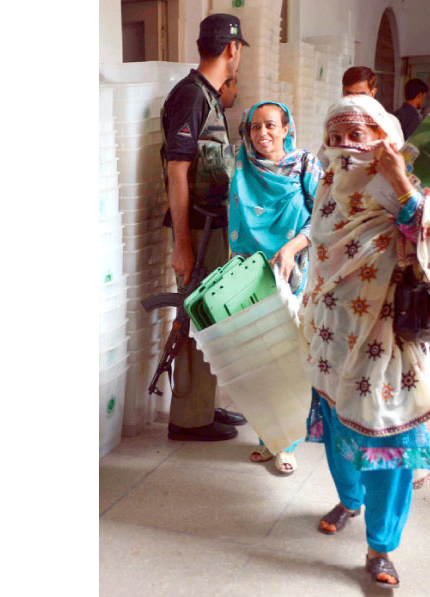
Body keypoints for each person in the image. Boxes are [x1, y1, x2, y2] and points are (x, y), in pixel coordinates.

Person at [298, 95, 430, 588]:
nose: (345, 147)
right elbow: (323, 250)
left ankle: (381, 545)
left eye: (358, 135)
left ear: (386, 140)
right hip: (333, 339)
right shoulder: (328, 186)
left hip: (386, 341)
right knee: (338, 431)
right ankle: (350, 501)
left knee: (385, 439)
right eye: (336, 137)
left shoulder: (407, 184)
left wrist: (399, 184)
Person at [160, 13, 249, 442]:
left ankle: (203, 406)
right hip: (196, 228)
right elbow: (177, 172)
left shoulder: (208, 96)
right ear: (232, 49)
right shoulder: (191, 96)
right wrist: (182, 244)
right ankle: (187, 420)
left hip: (213, 226)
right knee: (196, 319)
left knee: (210, 321)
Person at [227, 101, 323, 473]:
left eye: (270, 126)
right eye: (254, 127)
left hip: (292, 274)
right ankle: (268, 437)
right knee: (258, 361)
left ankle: (288, 443)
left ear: (286, 128)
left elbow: (324, 217)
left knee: (289, 359)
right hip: (248, 275)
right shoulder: (242, 165)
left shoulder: (305, 165)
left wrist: (291, 247)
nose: (262, 134)